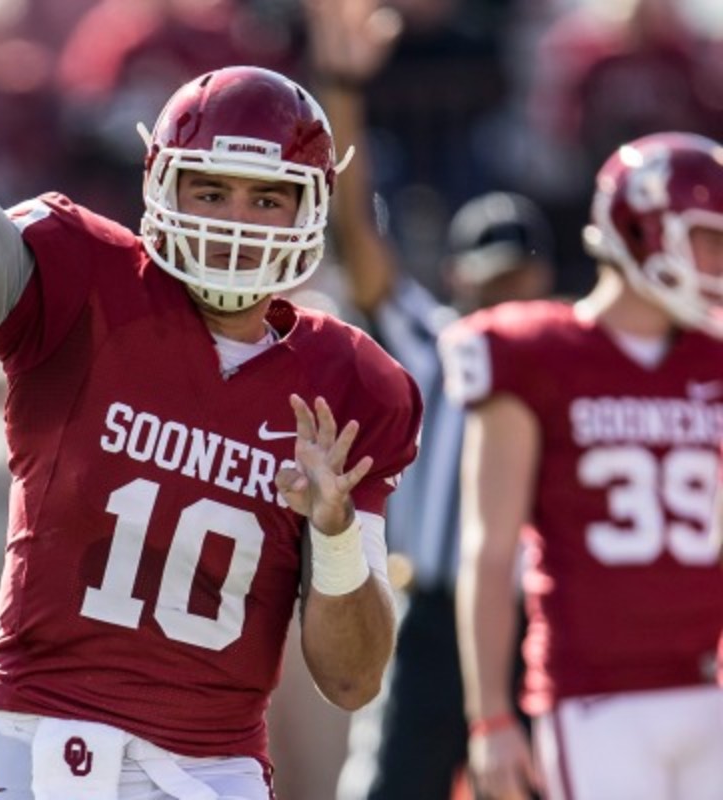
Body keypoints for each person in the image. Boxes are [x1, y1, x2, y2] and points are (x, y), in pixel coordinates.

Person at [0, 1, 424, 797]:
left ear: (309, 207)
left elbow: (351, 682)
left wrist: (337, 531)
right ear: (160, 184)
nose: (235, 224)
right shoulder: (77, 282)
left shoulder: (351, 385)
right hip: (38, 738)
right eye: (210, 192)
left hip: (213, 768)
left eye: (264, 197)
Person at [300, 3, 553, 798]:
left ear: (543, 282)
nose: (500, 298)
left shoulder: (567, 356)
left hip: (533, 619)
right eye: (487, 282)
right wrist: (343, 91)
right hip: (432, 614)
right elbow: (354, 235)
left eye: (515, 281)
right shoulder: (435, 342)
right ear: (456, 281)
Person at [439, 131, 723, 800]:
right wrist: (490, 718)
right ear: (639, 229)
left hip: (707, 684)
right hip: (594, 696)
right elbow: (488, 549)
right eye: (707, 237)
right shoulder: (536, 352)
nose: (717, 260)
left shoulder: (713, 358)